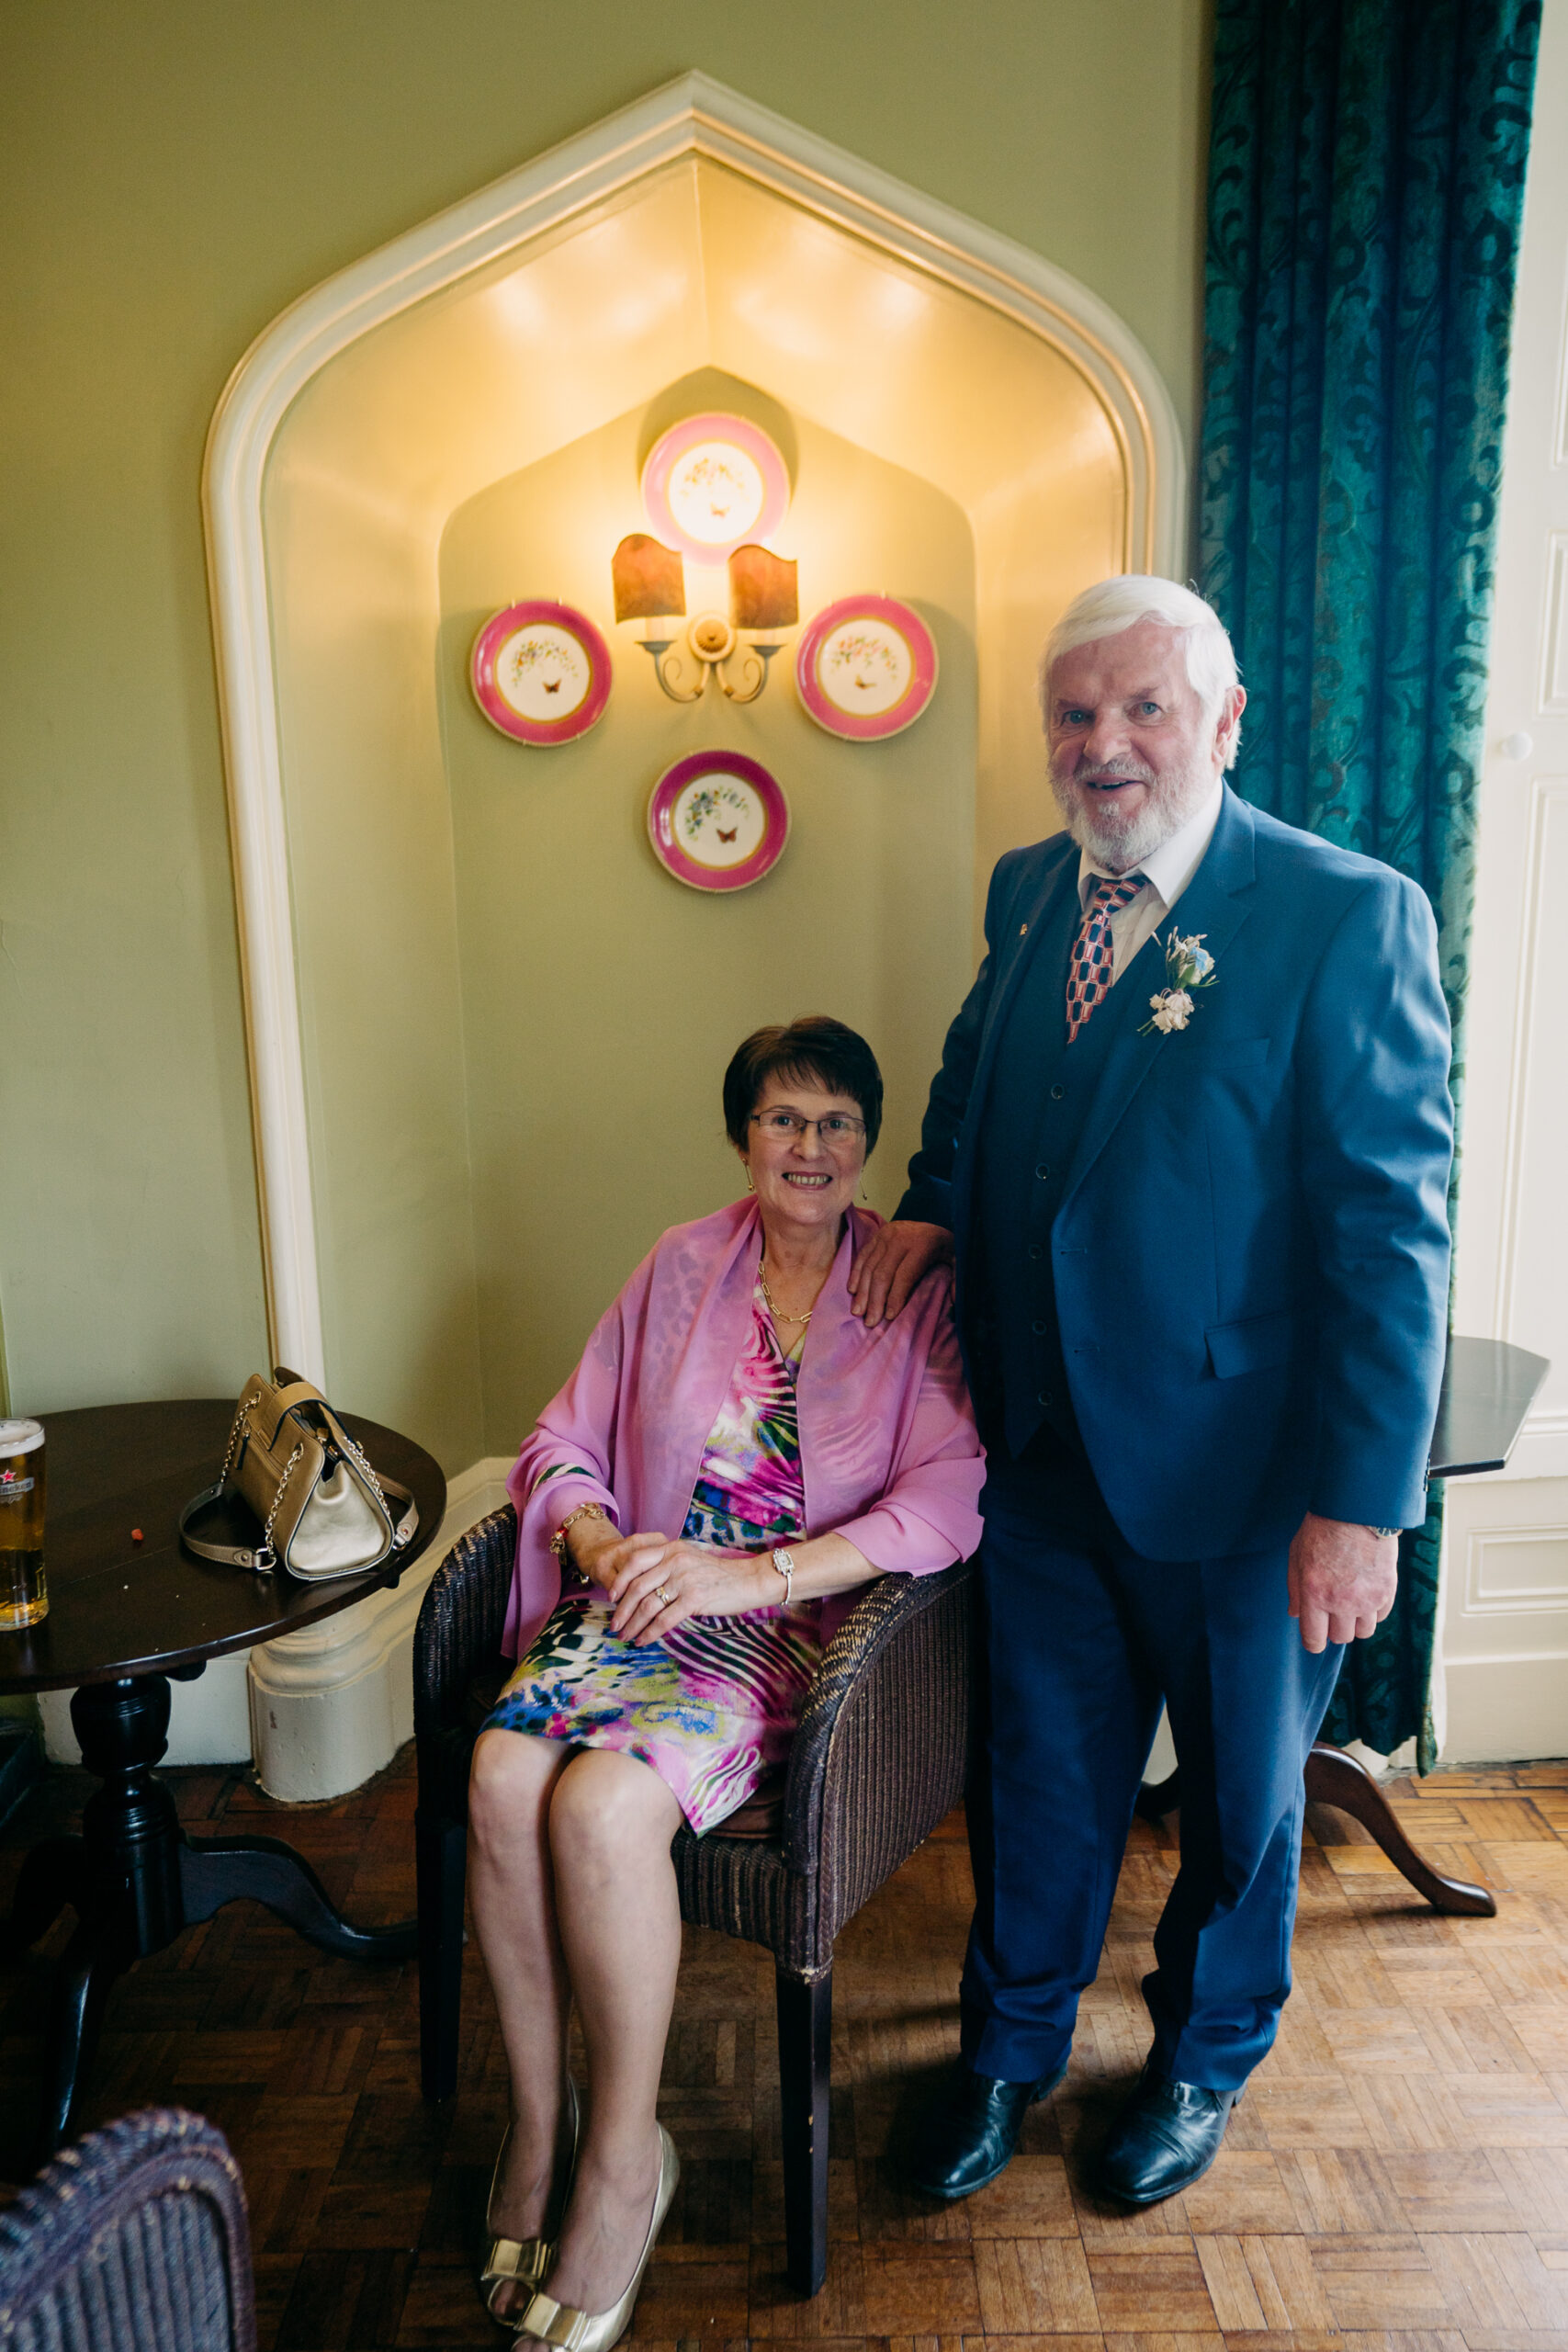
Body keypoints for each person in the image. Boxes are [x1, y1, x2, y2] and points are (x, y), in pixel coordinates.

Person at [850, 575, 1452, 2209]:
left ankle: (1202, 2058)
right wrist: (924, 1205)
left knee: (1241, 1812)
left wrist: (1360, 1508)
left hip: (1249, 1484)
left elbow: (1395, 1238)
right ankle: (1007, 2051)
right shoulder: (1029, 887)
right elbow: (979, 1081)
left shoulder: (1343, 914)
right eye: (1074, 713)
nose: (1102, 745)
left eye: (1142, 709)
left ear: (1223, 721)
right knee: (1039, 1782)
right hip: (1035, 1456)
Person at [468, 1015, 984, 2343]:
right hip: (637, 1599)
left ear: (869, 1143)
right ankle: (540, 2127)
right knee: (498, 1771)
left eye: (836, 1123)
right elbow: (559, 1439)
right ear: (741, 1133)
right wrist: (598, 1537)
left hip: (780, 1631)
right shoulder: (683, 1261)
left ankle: (626, 2161)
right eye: (781, 1119)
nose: (808, 1147)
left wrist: (752, 1579)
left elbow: (954, 1496)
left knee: (597, 1808)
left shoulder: (905, 1286)